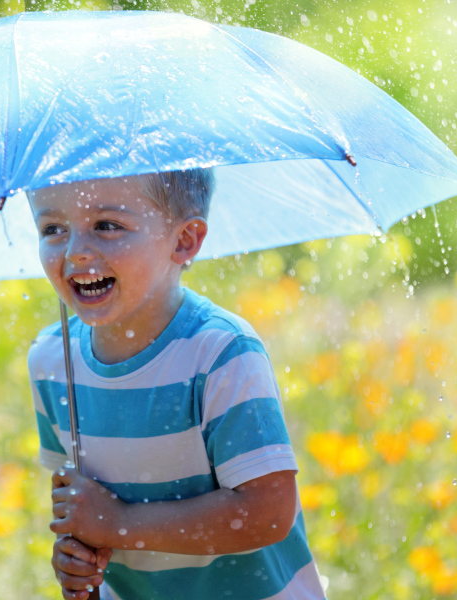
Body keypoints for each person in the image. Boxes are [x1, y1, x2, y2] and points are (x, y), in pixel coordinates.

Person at [26, 170, 326, 600]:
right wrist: (79, 563)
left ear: (183, 241)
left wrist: (118, 523)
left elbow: (266, 513)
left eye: (107, 225)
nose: (74, 253)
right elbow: (78, 506)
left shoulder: (220, 353)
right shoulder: (53, 361)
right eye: (52, 228)